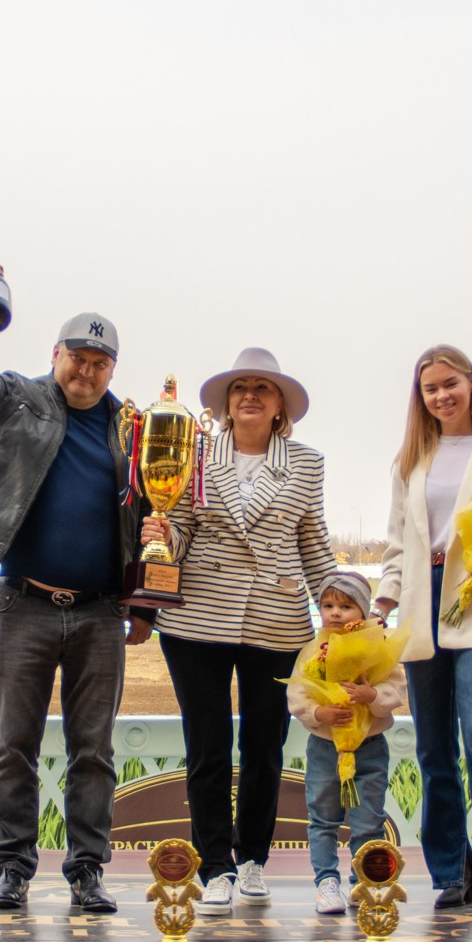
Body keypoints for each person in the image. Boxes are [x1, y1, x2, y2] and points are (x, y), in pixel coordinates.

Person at [0, 256, 151, 914]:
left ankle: (87, 871)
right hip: (23, 602)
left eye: (99, 362)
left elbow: (150, 517)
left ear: (112, 368)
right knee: (13, 748)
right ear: (55, 354)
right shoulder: (17, 398)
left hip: (98, 613)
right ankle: (13, 870)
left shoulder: (132, 429)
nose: (86, 371)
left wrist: (146, 604)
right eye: (76, 357)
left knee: (93, 751)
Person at [144, 347, 331, 913]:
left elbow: (312, 542)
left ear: (280, 407)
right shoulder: (193, 453)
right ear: (226, 402)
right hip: (197, 616)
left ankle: (251, 858)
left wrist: (342, 607)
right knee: (207, 744)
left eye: (262, 388)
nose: (249, 395)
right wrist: (159, 533)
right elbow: (178, 530)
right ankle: (215, 864)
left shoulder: (307, 463)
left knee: (264, 747)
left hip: (276, 622)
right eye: (240, 387)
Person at [375, 345, 472, 918]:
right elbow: (399, 545)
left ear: (471, 383)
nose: (441, 396)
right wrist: (382, 604)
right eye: (430, 389)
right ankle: (451, 871)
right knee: (433, 750)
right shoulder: (409, 459)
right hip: (422, 609)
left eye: (451, 384)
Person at [287, 573, 406, 915]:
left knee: (368, 819)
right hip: (325, 747)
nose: (335, 613)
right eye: (327, 605)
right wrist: (318, 712)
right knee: (322, 817)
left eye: (346, 606)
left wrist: (372, 696)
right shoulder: (313, 650)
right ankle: (326, 882)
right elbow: (296, 692)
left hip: (369, 746)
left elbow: (397, 689)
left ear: (365, 611)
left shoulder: (378, 648)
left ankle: (363, 881)